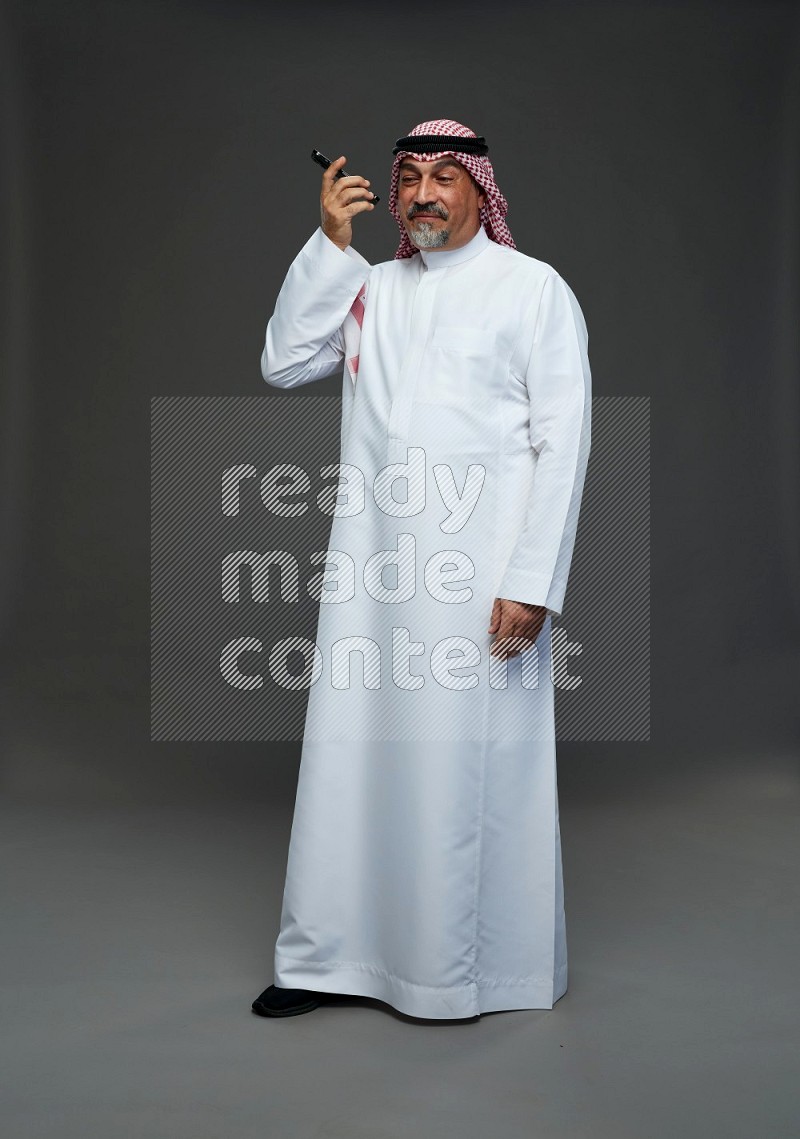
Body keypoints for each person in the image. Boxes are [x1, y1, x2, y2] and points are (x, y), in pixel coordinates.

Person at [252, 119, 592, 1020]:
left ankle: (457, 976)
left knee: (461, 772)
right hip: (372, 579)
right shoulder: (369, 291)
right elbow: (284, 363)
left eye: (446, 175)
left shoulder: (533, 291)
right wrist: (331, 246)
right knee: (351, 761)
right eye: (410, 178)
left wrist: (533, 582)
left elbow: (564, 443)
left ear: (483, 189)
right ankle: (327, 962)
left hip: (480, 586)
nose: (425, 192)